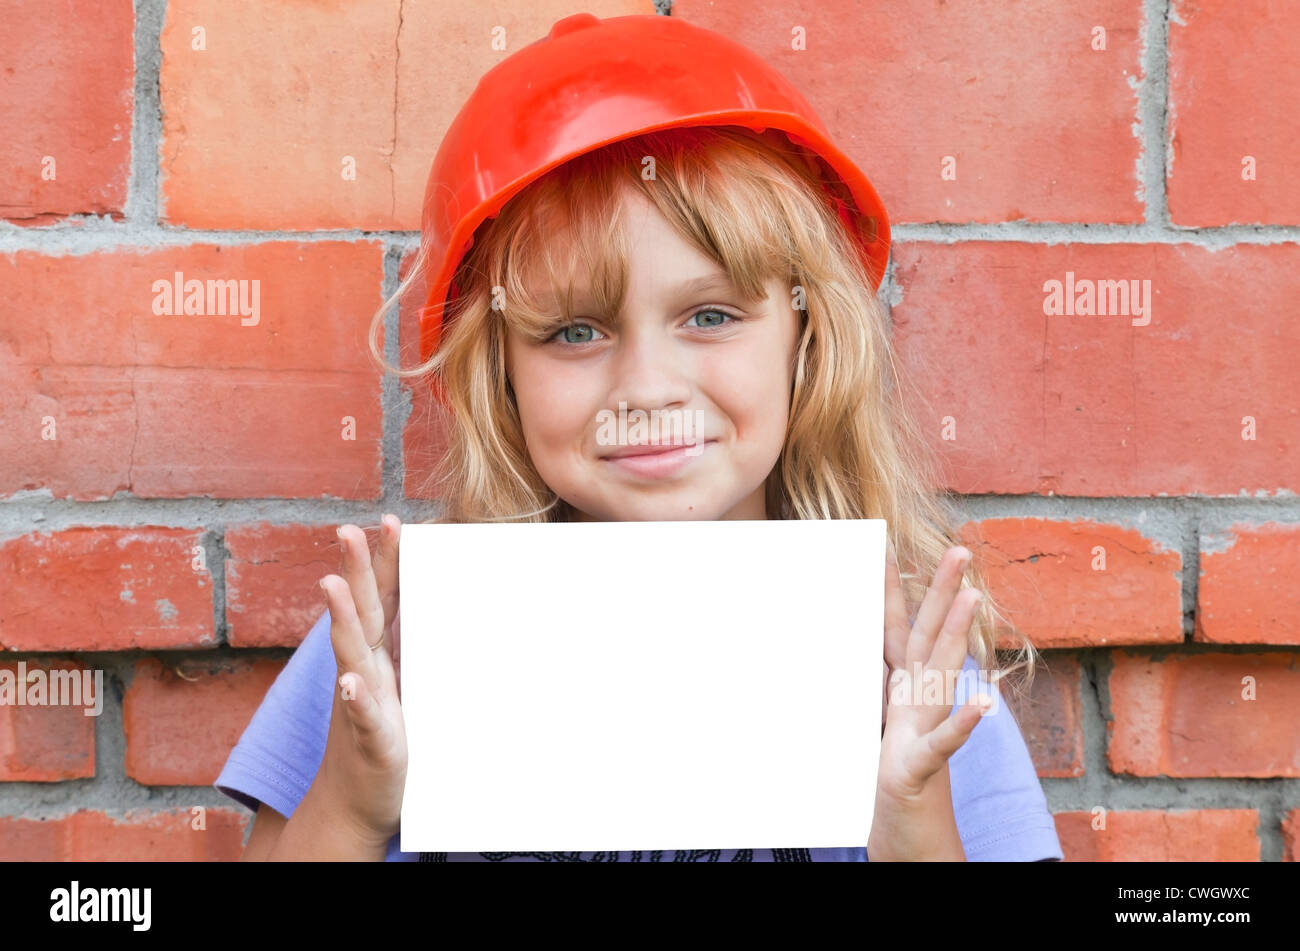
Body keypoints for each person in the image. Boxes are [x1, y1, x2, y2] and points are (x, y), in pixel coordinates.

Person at [215, 12, 1063, 862]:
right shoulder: (390, 646)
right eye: (576, 332)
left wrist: (911, 820)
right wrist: (351, 805)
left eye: (710, 315)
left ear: (810, 340)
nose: (648, 389)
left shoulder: (907, 674)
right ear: (498, 371)